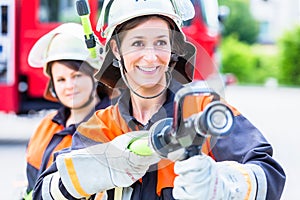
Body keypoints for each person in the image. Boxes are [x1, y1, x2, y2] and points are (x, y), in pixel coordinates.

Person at [33, 1, 285, 200]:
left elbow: (270, 176)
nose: (151, 57)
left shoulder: (202, 110)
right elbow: (43, 192)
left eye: (160, 42)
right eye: (137, 43)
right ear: (116, 50)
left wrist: (224, 185)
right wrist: (99, 167)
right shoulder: (102, 126)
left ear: (173, 47)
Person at [23, 23, 115, 199]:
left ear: (95, 75)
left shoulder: (113, 126)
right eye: (61, 79)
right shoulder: (46, 126)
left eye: (77, 76)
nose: (69, 86)